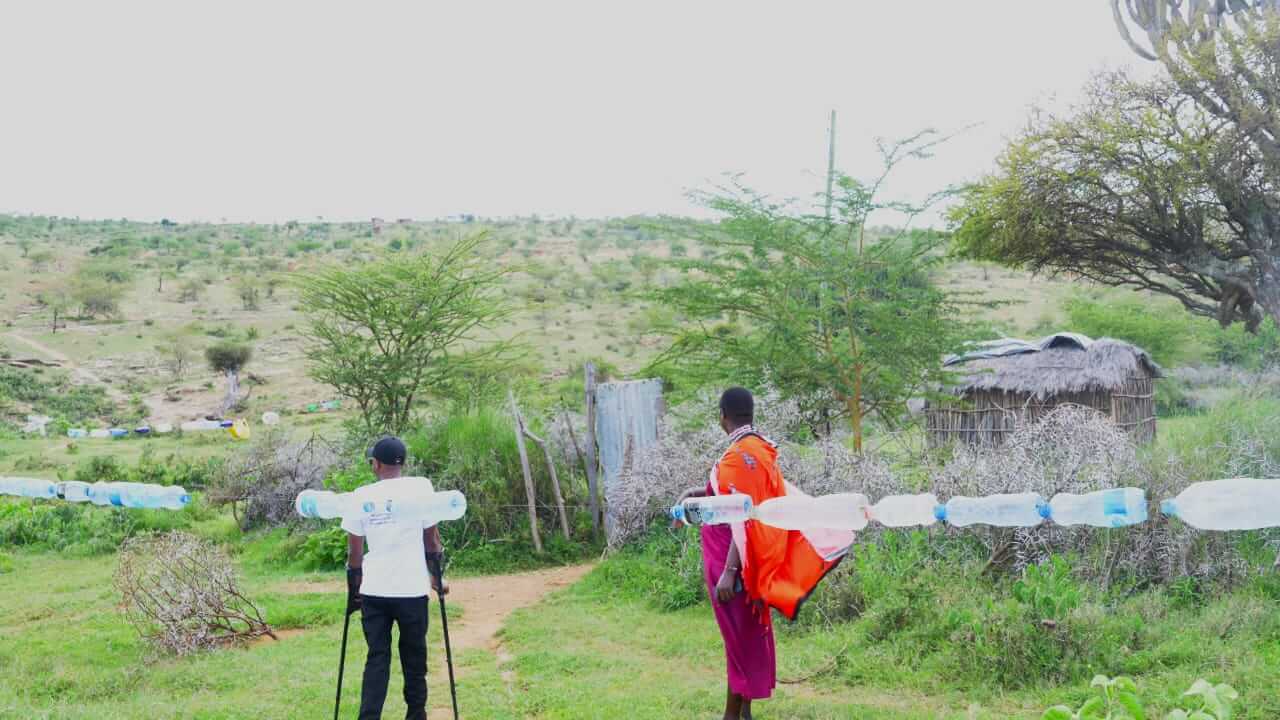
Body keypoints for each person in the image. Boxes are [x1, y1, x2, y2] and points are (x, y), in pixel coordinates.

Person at [675, 388, 851, 720]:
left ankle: (735, 714)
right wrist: (695, 495)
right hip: (742, 560)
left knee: (739, 642)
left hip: (736, 565)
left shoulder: (741, 455)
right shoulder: (756, 450)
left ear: (723, 415)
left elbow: (746, 514)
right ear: (749, 414)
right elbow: (731, 499)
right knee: (739, 639)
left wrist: (729, 570)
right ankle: (740, 713)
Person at [344, 436, 448, 720]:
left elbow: (355, 553)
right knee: (414, 658)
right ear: (403, 462)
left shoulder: (361, 495)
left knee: (377, 657)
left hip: (374, 590)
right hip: (412, 589)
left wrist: (354, 588)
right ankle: (416, 715)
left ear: (375, 464)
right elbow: (432, 540)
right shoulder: (421, 488)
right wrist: (437, 579)